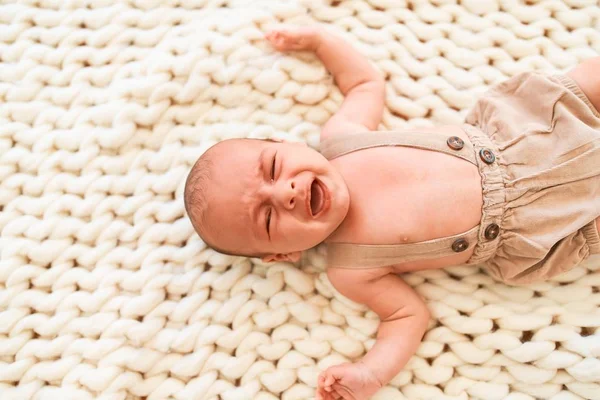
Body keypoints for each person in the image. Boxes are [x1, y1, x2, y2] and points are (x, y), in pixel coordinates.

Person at [184, 26, 600, 400]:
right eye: (269, 218)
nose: (286, 193)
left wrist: (321, 43)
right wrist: (370, 374)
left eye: (273, 167)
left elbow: (363, 83)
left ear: (284, 142)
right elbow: (405, 316)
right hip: (540, 221)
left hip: (517, 135)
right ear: (283, 255)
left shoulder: (341, 138)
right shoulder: (349, 269)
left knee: (584, 82)